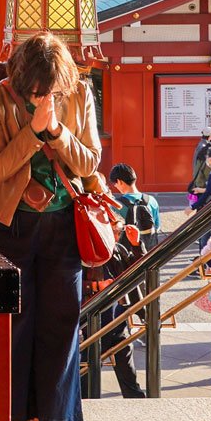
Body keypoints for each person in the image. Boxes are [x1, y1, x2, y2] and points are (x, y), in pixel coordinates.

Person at [0, 32, 103, 421]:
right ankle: (14, 419)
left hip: (66, 223)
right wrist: (33, 132)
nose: (43, 95)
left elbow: (88, 161)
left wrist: (58, 131)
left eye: (51, 89)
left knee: (62, 320)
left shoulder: (79, 92)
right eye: (34, 89)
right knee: (17, 320)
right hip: (10, 223)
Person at [93, 164, 160, 399]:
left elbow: (136, 267)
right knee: (92, 353)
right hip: (95, 308)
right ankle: (85, 395)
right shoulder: (91, 235)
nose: (115, 224)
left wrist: (134, 244)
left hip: (115, 307)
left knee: (121, 349)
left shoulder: (118, 244)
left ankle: (133, 396)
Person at [187, 132, 211, 205]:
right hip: (202, 187)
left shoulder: (202, 152)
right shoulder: (209, 160)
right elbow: (209, 177)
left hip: (199, 184)